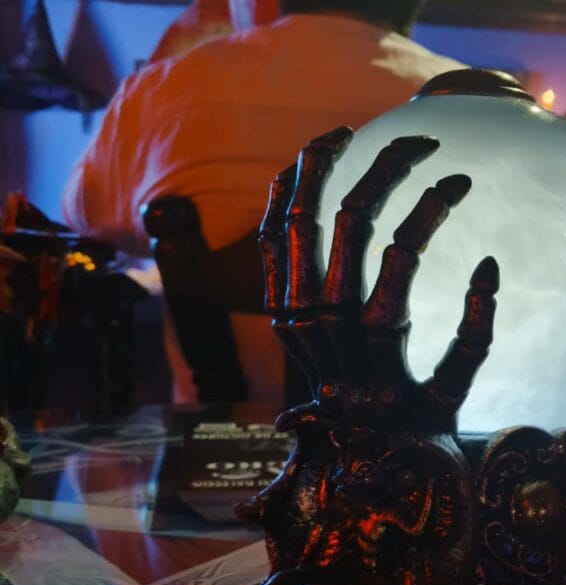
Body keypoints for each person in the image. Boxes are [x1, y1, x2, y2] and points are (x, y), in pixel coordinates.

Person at [61, 0, 460, 403]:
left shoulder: (164, 89)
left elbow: (85, 215)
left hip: (218, 434)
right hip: (404, 437)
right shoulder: (466, 102)